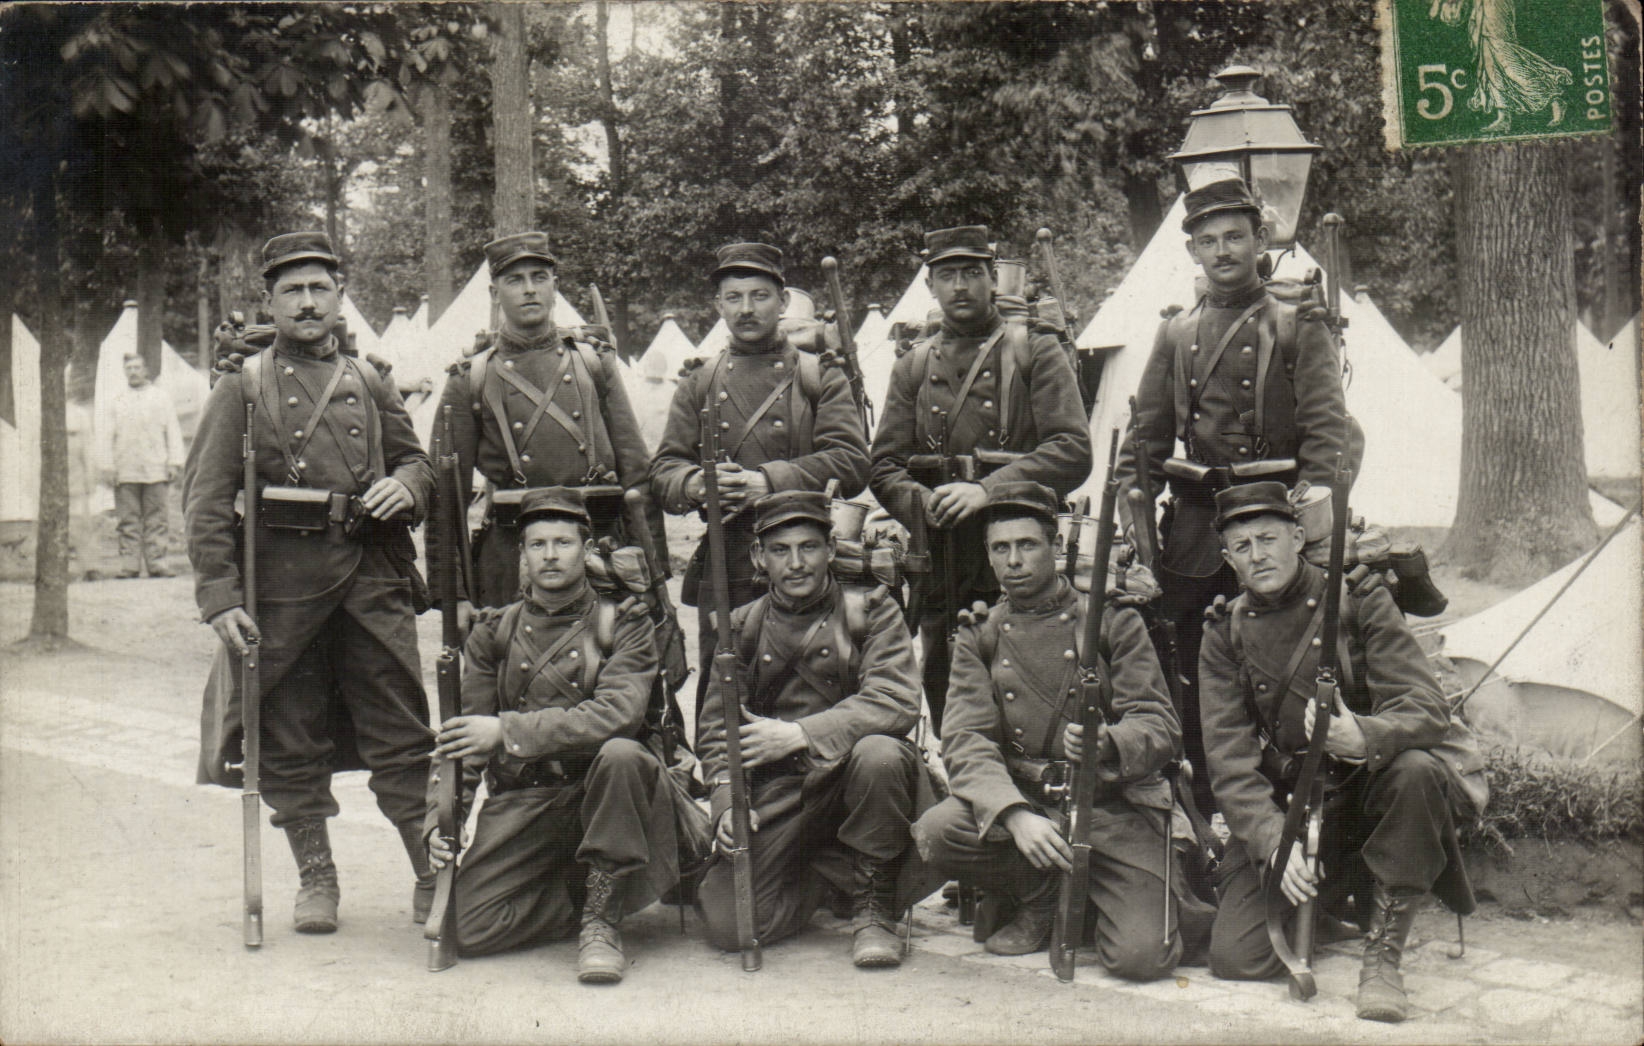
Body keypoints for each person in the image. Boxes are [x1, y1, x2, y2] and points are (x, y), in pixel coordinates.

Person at [183, 231, 436, 936]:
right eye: (291, 290)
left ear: (339, 295)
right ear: (269, 301)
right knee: (291, 738)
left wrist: (406, 487)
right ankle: (317, 876)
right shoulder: (243, 385)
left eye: (318, 288)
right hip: (283, 592)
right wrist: (220, 598)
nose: (306, 302)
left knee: (401, 734)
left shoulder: (371, 380)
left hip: (371, 582)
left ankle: (432, 870)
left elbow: (418, 464)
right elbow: (205, 498)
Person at [1197, 482, 1488, 1022]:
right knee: (1237, 957)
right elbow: (1229, 760)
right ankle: (1327, 904)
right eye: (1242, 546)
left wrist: (1364, 737)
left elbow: (1426, 706)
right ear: (1228, 559)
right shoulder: (1223, 632)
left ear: (1297, 537)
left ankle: (1383, 958)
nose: (1258, 555)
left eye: (1268, 539)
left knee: (1417, 770)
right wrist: (1271, 840)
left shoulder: (1359, 599)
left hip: (1371, 800)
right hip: (1294, 810)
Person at [1115, 179, 1351, 808]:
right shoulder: (1176, 332)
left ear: (1259, 239)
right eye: (1209, 240)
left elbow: (1327, 432)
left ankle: (1291, 795)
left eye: (1235, 237)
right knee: (1193, 663)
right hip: (1198, 529)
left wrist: (1310, 514)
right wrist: (1137, 525)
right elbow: (1144, 441)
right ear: (1192, 250)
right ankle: (1208, 800)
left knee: (1283, 654)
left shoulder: (1297, 323)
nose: (1222, 251)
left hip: (1275, 515)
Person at [911, 481, 1186, 980]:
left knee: (1142, 957)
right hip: (1032, 805)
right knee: (939, 830)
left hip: (1112, 809)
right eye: (1000, 548)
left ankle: (1097, 898)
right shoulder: (980, 633)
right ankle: (1042, 893)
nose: (1014, 560)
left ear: (1056, 545)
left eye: (1027, 544)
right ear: (989, 556)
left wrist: (1109, 742)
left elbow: (1160, 724)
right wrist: (1013, 813)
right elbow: (967, 739)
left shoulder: (1113, 620)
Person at [424, 488, 673, 983]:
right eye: (538, 545)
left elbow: (618, 714)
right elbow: (462, 738)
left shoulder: (624, 622)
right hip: (528, 797)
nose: (551, 555)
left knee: (622, 754)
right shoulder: (494, 631)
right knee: (469, 928)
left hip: (608, 794)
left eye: (563, 542)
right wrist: (440, 819)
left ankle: (601, 922)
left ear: (587, 549)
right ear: (522, 555)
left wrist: (506, 730)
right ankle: (585, 895)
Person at [869, 225, 1091, 734]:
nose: (960, 286)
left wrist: (988, 491)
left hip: (1019, 550)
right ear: (930, 285)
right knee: (948, 687)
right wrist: (923, 504)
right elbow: (883, 465)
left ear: (993, 278)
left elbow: (1073, 450)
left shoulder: (1035, 350)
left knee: (1030, 680)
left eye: (972, 273)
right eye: (947, 275)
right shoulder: (913, 365)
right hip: (943, 553)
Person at [695, 490, 929, 968]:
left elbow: (896, 699)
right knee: (732, 924)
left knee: (880, 752)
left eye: (809, 547)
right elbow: (718, 727)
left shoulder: (871, 609)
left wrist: (799, 734)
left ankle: (874, 905)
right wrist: (725, 803)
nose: (796, 563)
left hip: (856, 781)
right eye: (780, 550)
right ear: (759, 557)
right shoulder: (741, 626)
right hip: (784, 792)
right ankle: (828, 876)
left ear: (831, 549)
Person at [650, 243, 870, 711]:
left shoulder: (818, 375)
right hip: (728, 558)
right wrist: (695, 483)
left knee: (814, 684)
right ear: (718, 305)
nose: (746, 309)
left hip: (804, 557)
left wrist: (769, 482)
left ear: (783, 301)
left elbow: (852, 462)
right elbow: (664, 470)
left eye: (759, 295)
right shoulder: (699, 381)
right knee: (725, 688)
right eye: (734, 297)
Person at [434, 231, 653, 609]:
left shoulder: (593, 362)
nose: (529, 290)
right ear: (494, 294)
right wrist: (453, 594)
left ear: (555, 286)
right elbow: (446, 496)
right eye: (514, 280)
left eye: (539, 277)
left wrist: (652, 575)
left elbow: (636, 476)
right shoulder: (469, 378)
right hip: (511, 559)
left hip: (598, 551)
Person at [97, 353, 185, 578]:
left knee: (157, 519)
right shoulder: (116, 400)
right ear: (124, 371)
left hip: (156, 468)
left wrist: (174, 462)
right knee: (128, 520)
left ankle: (157, 563)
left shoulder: (161, 398)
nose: (133, 372)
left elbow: (173, 431)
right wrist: (107, 465)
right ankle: (129, 565)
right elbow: (106, 436)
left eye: (137, 367)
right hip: (125, 470)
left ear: (145, 370)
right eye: (129, 368)